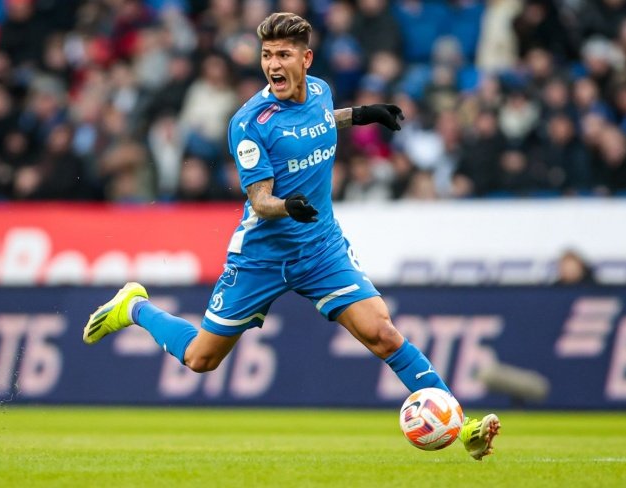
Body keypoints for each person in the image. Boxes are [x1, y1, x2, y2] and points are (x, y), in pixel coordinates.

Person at [83, 12, 500, 460]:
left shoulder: (320, 91)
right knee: (201, 359)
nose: (273, 64)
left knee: (382, 333)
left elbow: (315, 122)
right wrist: (288, 207)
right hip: (262, 257)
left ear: (306, 59)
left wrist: (362, 115)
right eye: (267, 55)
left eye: (283, 54)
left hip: (320, 249)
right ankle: (135, 307)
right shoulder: (249, 122)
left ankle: (463, 427)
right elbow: (260, 200)